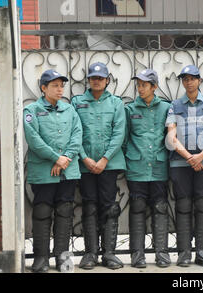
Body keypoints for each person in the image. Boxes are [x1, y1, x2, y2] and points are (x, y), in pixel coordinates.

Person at [24, 70, 82, 272]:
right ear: (43, 88)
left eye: (61, 85)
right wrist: (55, 158)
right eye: (55, 85)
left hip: (67, 171)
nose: (60, 89)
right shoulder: (31, 110)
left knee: (65, 212)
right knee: (42, 212)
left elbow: (77, 135)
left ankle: (62, 258)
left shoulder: (70, 110)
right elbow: (33, 140)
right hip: (43, 172)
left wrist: (65, 158)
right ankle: (41, 258)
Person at [71, 62, 126, 270]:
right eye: (93, 78)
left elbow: (119, 133)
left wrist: (104, 159)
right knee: (89, 206)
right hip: (85, 165)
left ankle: (109, 253)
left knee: (109, 207)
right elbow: (75, 132)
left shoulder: (116, 103)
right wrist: (84, 158)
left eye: (100, 78)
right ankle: (90, 253)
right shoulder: (77, 102)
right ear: (88, 80)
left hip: (108, 165)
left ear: (107, 80)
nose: (96, 81)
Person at [165, 65, 203, 267]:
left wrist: (201, 156)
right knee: (183, 205)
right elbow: (171, 135)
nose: (188, 82)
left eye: (192, 78)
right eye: (185, 79)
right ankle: (184, 253)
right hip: (181, 163)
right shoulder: (175, 105)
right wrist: (190, 157)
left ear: (199, 81)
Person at [123, 69, 171, 268]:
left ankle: (162, 253)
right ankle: (137, 254)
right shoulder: (130, 109)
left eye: (144, 85)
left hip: (159, 166)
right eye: (138, 84)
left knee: (160, 207)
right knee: (137, 207)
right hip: (137, 166)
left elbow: (170, 137)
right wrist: (133, 155)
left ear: (154, 87)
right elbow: (124, 139)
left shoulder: (166, 108)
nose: (140, 88)